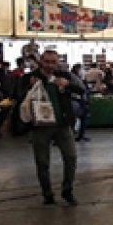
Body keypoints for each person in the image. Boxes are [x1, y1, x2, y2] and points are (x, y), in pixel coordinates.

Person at [25, 50, 78, 205]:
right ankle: (47, 194)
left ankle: (67, 190)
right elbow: (17, 95)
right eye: (47, 62)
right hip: (40, 127)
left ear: (58, 62)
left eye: (53, 62)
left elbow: (81, 90)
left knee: (71, 157)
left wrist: (67, 85)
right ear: (41, 61)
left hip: (62, 125)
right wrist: (29, 87)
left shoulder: (64, 76)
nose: (49, 65)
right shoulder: (30, 78)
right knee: (42, 162)